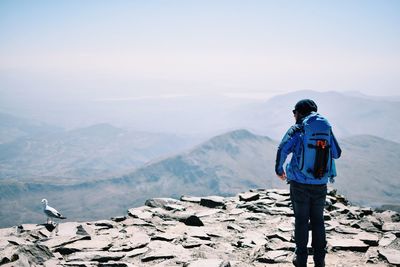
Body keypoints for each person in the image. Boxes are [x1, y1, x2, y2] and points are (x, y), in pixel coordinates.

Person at [275, 99, 341, 267]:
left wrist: (279, 169)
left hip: (299, 183)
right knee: (318, 220)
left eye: (294, 112)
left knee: (302, 220)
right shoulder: (325, 128)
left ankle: (301, 259)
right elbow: (336, 152)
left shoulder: (298, 128)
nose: (293, 115)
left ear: (299, 113)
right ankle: (320, 260)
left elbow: (283, 148)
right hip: (320, 182)